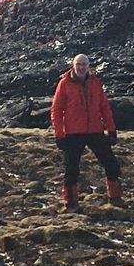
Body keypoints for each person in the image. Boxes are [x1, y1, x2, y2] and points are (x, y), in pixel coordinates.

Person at [51, 53, 124, 210]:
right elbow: (56, 110)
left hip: (95, 131)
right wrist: (59, 134)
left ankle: (116, 198)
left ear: (88, 66)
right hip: (73, 133)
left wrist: (111, 129)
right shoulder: (64, 84)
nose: (81, 67)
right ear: (73, 65)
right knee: (71, 169)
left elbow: (104, 107)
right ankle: (71, 203)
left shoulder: (95, 82)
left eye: (84, 64)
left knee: (111, 164)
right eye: (78, 64)